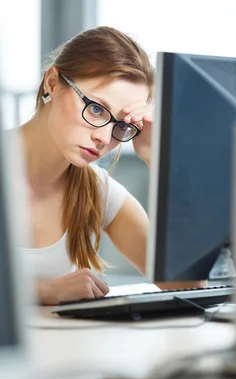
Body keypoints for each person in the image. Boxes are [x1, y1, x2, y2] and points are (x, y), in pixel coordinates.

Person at [18, 26, 201, 306]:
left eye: (123, 125)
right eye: (96, 108)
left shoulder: (95, 190)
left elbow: (188, 285)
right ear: (52, 83)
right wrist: (45, 292)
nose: (104, 137)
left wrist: (158, 158)